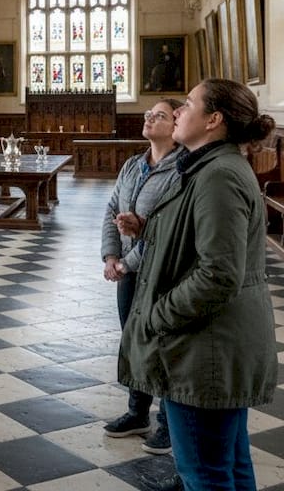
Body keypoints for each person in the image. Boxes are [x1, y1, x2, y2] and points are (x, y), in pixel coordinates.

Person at [118, 79, 278, 491]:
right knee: (230, 466)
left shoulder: (218, 175)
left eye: (187, 104)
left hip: (202, 349)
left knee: (205, 475)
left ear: (214, 120)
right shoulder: (207, 166)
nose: (177, 112)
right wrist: (149, 228)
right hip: (212, 345)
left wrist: (157, 315)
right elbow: (197, 236)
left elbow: (219, 273)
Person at [100, 99, 184, 458]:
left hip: (160, 270)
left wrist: (128, 263)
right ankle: (138, 413)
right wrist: (111, 256)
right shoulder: (134, 164)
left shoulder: (182, 170)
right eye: (148, 114)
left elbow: (167, 229)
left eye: (159, 115)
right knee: (132, 339)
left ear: (176, 124)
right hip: (129, 270)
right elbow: (112, 208)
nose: (150, 118)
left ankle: (167, 424)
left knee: (162, 344)